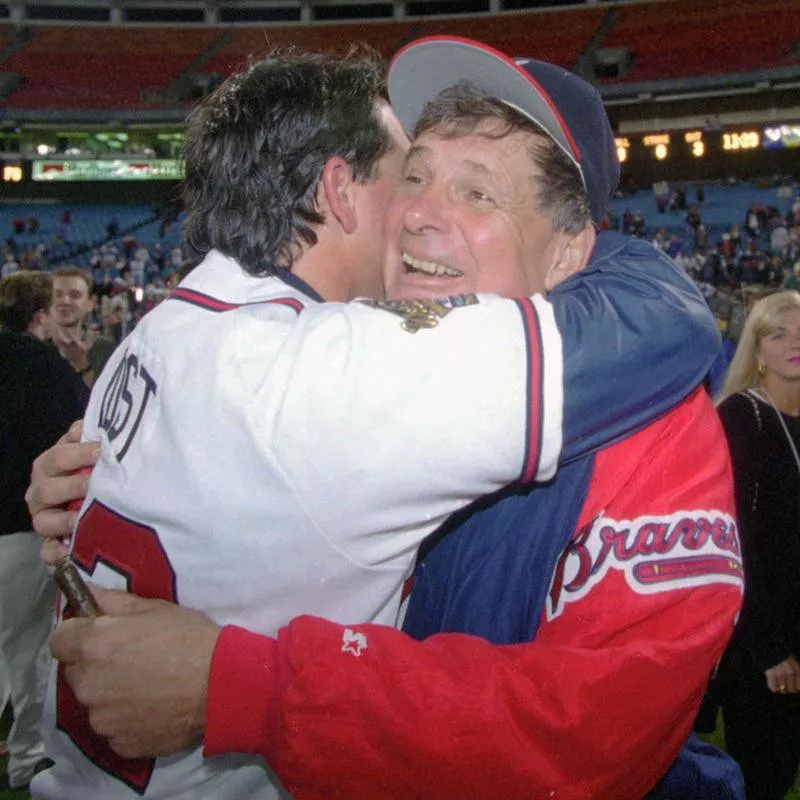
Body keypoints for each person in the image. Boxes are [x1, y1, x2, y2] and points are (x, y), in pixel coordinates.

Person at [31, 39, 739, 799]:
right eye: (413, 175)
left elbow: (593, 731)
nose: (421, 215)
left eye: (478, 194)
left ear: (570, 252)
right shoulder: (341, 363)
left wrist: (243, 686)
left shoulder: (660, 431)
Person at [0, 272, 89, 791]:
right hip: (20, 529)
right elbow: (86, 432)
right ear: (40, 316)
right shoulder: (41, 365)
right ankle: (26, 757)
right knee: (29, 649)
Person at [715, 290, 800, 800]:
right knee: (761, 776)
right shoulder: (742, 418)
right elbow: (735, 539)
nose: (795, 344)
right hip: (762, 640)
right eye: (779, 334)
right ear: (758, 349)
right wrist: (768, 649)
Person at [51, 267, 116, 388]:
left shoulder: (103, 348)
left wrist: (81, 363)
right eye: (58, 295)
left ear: (90, 303)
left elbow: (102, 400)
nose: (65, 301)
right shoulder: (34, 344)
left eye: (75, 295)